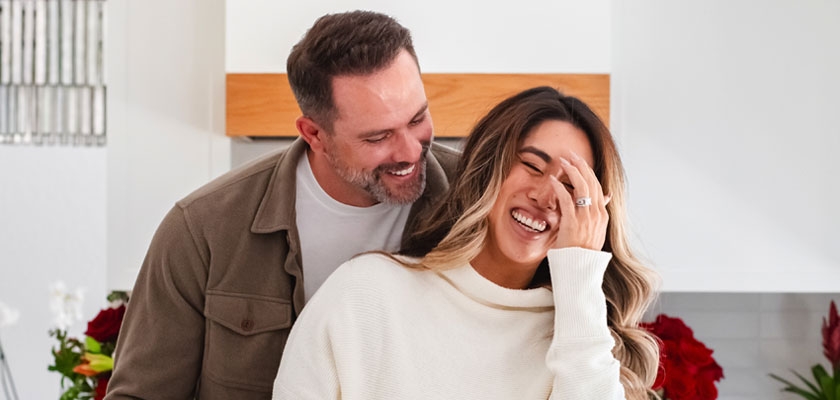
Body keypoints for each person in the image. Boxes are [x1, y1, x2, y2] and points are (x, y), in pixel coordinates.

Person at [104, 11, 459, 400]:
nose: (410, 150)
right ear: (314, 134)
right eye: (378, 137)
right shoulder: (201, 230)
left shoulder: (480, 198)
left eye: (418, 118)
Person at [272, 86, 661, 400]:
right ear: (489, 167)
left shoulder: (582, 341)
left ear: (594, 211)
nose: (545, 195)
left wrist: (579, 275)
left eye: (571, 185)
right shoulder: (364, 294)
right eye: (531, 165)